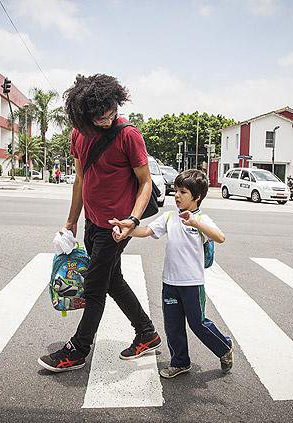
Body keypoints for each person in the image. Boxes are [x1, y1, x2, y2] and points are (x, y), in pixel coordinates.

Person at [38, 74, 161, 372]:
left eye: (111, 114)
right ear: (84, 116)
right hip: (93, 224)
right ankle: (147, 333)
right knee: (112, 280)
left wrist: (132, 221)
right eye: (100, 118)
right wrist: (71, 222)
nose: (107, 121)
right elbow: (80, 178)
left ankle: (78, 349)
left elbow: (145, 183)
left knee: (94, 286)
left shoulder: (128, 134)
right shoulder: (78, 134)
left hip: (117, 227)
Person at [123, 169, 234, 379]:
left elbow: (220, 237)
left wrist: (195, 222)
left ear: (197, 197)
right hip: (170, 283)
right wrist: (127, 229)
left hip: (192, 284)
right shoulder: (170, 217)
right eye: (175, 190)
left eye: (182, 192)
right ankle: (180, 362)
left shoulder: (202, 219)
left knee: (198, 323)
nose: (176, 195)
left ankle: (224, 347)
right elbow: (147, 231)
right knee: (173, 325)